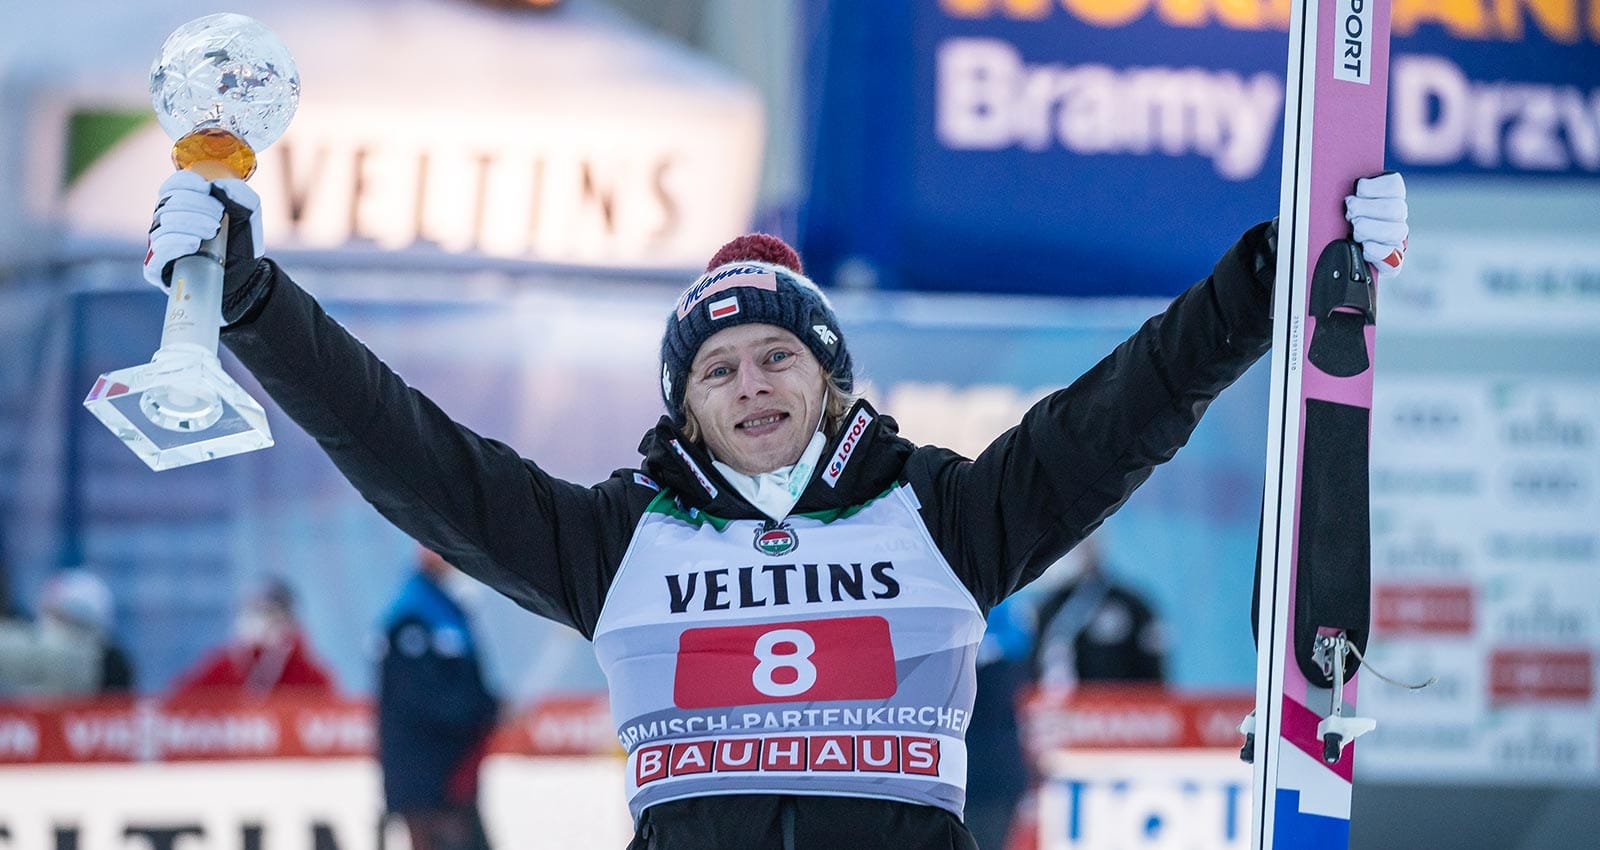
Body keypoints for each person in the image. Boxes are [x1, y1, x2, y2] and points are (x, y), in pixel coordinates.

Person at [140, 167, 1407, 849]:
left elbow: (1126, 407)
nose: (751, 383)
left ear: (827, 376)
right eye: (718, 369)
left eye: (776, 356)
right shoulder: (615, 540)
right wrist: (254, 303)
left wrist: (1268, 275)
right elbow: (405, 449)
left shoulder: (943, 514)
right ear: (686, 406)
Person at [377, 547, 500, 850]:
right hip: (427, 777)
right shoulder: (412, 617)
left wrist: (489, 705)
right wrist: (484, 709)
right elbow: (421, 698)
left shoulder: (448, 609)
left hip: (456, 773)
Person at [1028, 536, 1166, 692]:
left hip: (1122, 703)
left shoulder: (1131, 605)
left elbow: (1153, 669)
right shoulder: (1051, 607)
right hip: (1063, 703)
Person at [168, 575, 337, 701]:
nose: (256, 619)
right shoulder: (225, 665)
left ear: (287, 620)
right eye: (251, 610)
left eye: (267, 613)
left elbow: (332, 721)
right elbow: (176, 706)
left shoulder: (309, 674)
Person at [0, 567, 134, 698]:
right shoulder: (23, 647)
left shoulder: (108, 664)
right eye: (50, 615)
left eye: (64, 620)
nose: (51, 628)